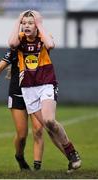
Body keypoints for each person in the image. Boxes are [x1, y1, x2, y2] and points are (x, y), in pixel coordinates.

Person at [8, 10, 82, 173]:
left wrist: (40, 24)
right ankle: (71, 157)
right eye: (24, 23)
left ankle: (72, 152)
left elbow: (50, 45)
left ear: (37, 25)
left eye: (30, 23)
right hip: (28, 88)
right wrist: (17, 21)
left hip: (46, 83)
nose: (27, 26)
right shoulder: (19, 39)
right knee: (49, 127)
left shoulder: (42, 37)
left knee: (49, 121)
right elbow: (11, 44)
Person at [0, 47, 65, 171]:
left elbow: (50, 43)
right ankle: (20, 157)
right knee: (22, 135)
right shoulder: (15, 50)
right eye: (24, 26)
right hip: (17, 95)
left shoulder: (40, 47)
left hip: (34, 93)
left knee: (38, 130)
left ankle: (37, 167)